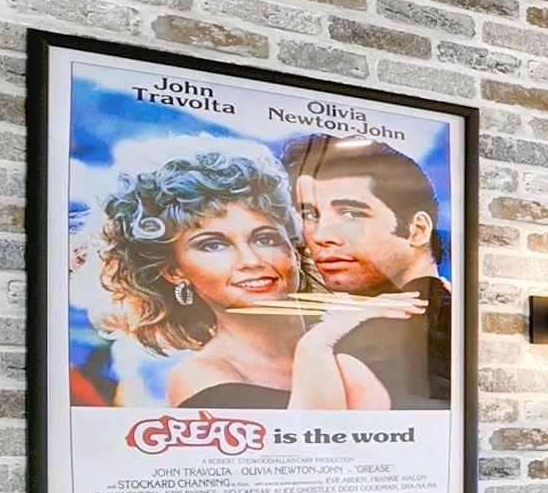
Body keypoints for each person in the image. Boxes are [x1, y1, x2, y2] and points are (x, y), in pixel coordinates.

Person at [89, 148, 417, 411]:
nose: (252, 261)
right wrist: (316, 346)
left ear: (293, 248)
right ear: (174, 271)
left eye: (265, 238)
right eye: (213, 245)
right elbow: (300, 460)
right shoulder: (200, 376)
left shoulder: (362, 334)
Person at [283, 134, 451, 409]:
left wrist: (313, 348)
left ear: (417, 230)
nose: (321, 235)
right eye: (310, 215)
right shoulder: (448, 314)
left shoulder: (358, 349)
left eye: (351, 214)